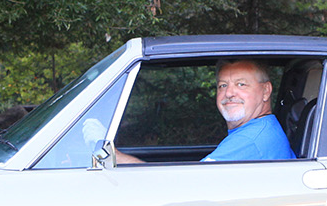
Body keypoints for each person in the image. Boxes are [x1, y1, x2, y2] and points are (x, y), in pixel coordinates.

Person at [113, 59, 295, 164]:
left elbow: (180, 189)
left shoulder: (250, 141)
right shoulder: (262, 128)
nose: (229, 93)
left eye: (241, 84)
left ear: (266, 91)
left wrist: (117, 158)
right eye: (222, 85)